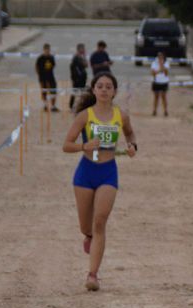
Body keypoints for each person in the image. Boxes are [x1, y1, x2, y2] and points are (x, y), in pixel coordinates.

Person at [62, 72, 138, 292]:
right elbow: (66, 145)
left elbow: (131, 135)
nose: (104, 90)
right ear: (93, 90)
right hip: (85, 173)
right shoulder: (85, 116)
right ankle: (88, 236)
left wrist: (133, 147)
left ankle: (93, 275)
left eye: (108, 86)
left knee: (100, 221)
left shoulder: (121, 115)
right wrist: (83, 146)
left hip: (108, 172)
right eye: (100, 86)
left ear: (114, 91)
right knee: (86, 226)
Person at [35, 43, 58, 112]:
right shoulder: (40, 58)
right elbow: (36, 67)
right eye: (46, 50)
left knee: (53, 90)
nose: (47, 51)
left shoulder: (51, 57)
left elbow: (53, 65)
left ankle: (53, 106)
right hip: (43, 77)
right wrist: (39, 75)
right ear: (44, 50)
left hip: (51, 77)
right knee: (44, 92)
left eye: (48, 50)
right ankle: (45, 105)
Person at [69, 43, 88, 112]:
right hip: (77, 78)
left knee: (81, 92)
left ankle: (79, 106)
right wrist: (74, 78)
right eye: (83, 48)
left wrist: (84, 57)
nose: (84, 50)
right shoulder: (76, 57)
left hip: (82, 77)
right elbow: (73, 68)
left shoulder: (82, 56)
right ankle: (71, 106)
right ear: (79, 49)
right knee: (75, 92)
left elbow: (86, 65)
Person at [150, 50, 169, 116]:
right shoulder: (154, 63)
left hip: (164, 82)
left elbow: (166, 73)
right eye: (159, 56)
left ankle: (165, 110)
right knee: (156, 97)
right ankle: (154, 110)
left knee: (164, 97)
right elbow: (152, 73)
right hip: (156, 82)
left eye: (161, 56)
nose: (160, 57)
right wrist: (160, 70)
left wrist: (161, 65)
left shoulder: (166, 63)